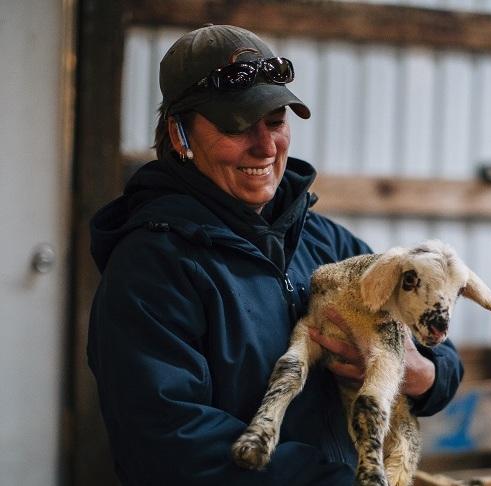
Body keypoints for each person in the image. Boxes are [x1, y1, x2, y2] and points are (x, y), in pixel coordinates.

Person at [88, 24, 463, 485]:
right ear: (179, 133)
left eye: (275, 121)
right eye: (236, 125)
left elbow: (436, 348)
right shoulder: (152, 269)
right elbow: (172, 444)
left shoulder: (328, 243)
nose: (265, 146)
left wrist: (423, 374)